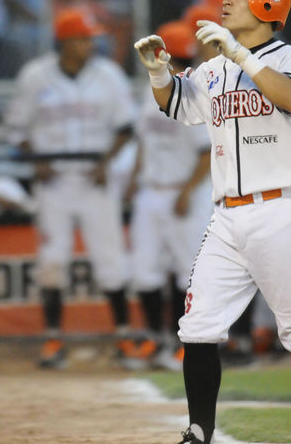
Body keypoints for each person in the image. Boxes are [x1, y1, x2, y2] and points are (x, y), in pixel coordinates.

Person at [134, 0, 291, 444]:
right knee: (198, 325)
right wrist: (159, 71)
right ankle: (198, 431)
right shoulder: (214, 67)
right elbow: (177, 105)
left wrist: (239, 53)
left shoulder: (289, 58)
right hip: (227, 214)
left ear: (267, 2)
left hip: (283, 208)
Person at [4, 8, 138, 369]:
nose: (89, 44)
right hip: (55, 181)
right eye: (82, 39)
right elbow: (16, 130)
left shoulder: (108, 75)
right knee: (53, 260)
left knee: (110, 259)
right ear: (64, 41)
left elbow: (126, 128)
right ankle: (53, 339)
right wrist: (37, 161)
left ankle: (124, 335)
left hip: (95, 178)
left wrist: (106, 162)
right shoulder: (35, 76)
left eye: (90, 39)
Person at [125, 20, 212, 371]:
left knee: (187, 272)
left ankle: (182, 343)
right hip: (151, 192)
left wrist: (187, 191)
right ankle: (154, 339)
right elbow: (144, 141)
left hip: (184, 192)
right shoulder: (150, 93)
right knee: (144, 270)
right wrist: (134, 178)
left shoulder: (194, 95)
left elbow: (206, 153)